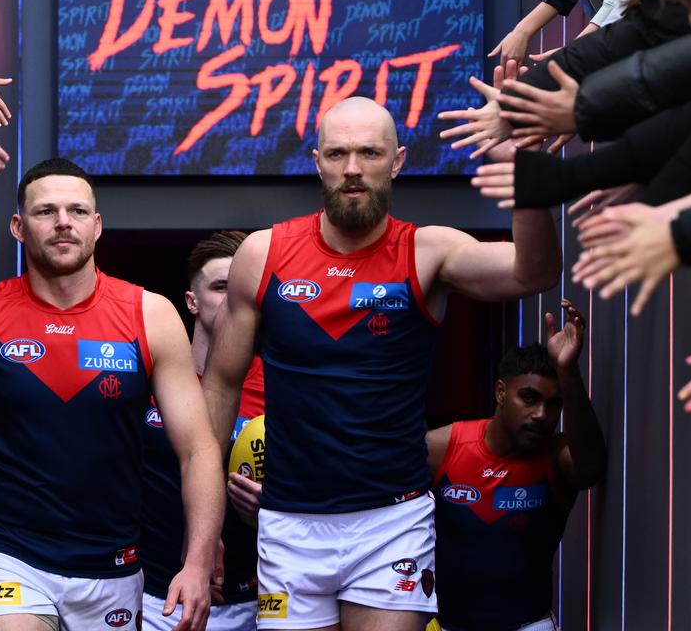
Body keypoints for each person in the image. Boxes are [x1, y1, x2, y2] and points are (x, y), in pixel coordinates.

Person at [201, 97, 560, 631]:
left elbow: (533, 273)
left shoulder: (428, 250)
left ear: (397, 161)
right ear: (316, 160)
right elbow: (220, 390)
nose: (352, 169)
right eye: (338, 153)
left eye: (370, 153)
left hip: (391, 521)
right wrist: (204, 539)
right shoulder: (264, 253)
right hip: (289, 522)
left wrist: (524, 173)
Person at [0, 159, 224, 631]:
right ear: (18, 226)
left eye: (76, 211)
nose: (63, 222)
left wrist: (196, 563)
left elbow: (197, 450)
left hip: (110, 562)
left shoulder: (149, 314)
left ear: (97, 226)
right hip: (8, 552)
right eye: (45, 211)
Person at [427, 299, 604, 631]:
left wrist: (568, 370)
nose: (541, 415)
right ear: (501, 393)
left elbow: (589, 467)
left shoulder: (556, 456)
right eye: (530, 398)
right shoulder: (444, 447)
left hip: (529, 624)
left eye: (553, 405)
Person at [141, 231, 265, 631]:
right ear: (192, 301)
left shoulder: (283, 384)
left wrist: (277, 506)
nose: (233, 297)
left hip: (256, 599)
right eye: (220, 287)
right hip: (153, 596)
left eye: (243, 286)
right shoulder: (146, 379)